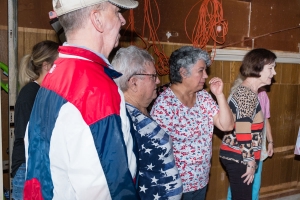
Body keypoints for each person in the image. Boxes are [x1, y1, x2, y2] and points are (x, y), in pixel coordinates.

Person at [23, 0, 139, 199]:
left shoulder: (54, 74)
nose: (122, 20)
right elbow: (107, 188)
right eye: (117, 11)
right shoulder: (96, 88)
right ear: (97, 19)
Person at [150, 46, 234, 200]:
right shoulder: (165, 105)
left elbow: (227, 125)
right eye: (201, 70)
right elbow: (156, 154)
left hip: (201, 180)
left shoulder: (203, 97)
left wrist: (220, 95)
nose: (206, 76)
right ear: (183, 72)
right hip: (175, 185)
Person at [112, 45, 183, 199]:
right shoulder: (127, 122)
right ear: (133, 82)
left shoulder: (140, 111)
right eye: (153, 76)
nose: (158, 81)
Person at [219, 48, 277, 200]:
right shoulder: (246, 94)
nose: (274, 73)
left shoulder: (250, 92)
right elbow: (243, 132)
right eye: (271, 68)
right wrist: (250, 162)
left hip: (239, 156)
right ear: (258, 68)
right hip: (240, 158)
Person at [11, 40, 59, 200]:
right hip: (27, 169)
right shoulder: (30, 93)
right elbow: (29, 137)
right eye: (58, 64)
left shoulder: (44, 92)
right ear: (46, 65)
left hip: (38, 167)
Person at [226, 75, 274, 200]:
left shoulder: (262, 95)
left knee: (255, 184)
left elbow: (265, 119)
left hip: (259, 146)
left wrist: (270, 141)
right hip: (240, 149)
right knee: (238, 185)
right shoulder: (239, 93)